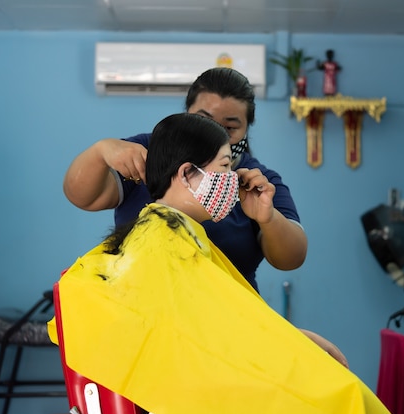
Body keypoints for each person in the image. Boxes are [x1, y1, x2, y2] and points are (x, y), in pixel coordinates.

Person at [50, 113, 390, 414]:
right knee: (344, 399)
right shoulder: (163, 237)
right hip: (191, 390)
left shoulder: (173, 232)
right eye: (225, 167)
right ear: (186, 174)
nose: (232, 179)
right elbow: (203, 337)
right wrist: (292, 344)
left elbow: (216, 325)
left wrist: (296, 338)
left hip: (200, 379)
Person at [63, 67, 306, 293]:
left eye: (230, 128)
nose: (217, 133)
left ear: (246, 130)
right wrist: (100, 153)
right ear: (184, 173)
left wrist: (269, 218)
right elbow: (82, 196)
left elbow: (292, 257)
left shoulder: (258, 183)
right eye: (206, 120)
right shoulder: (148, 151)